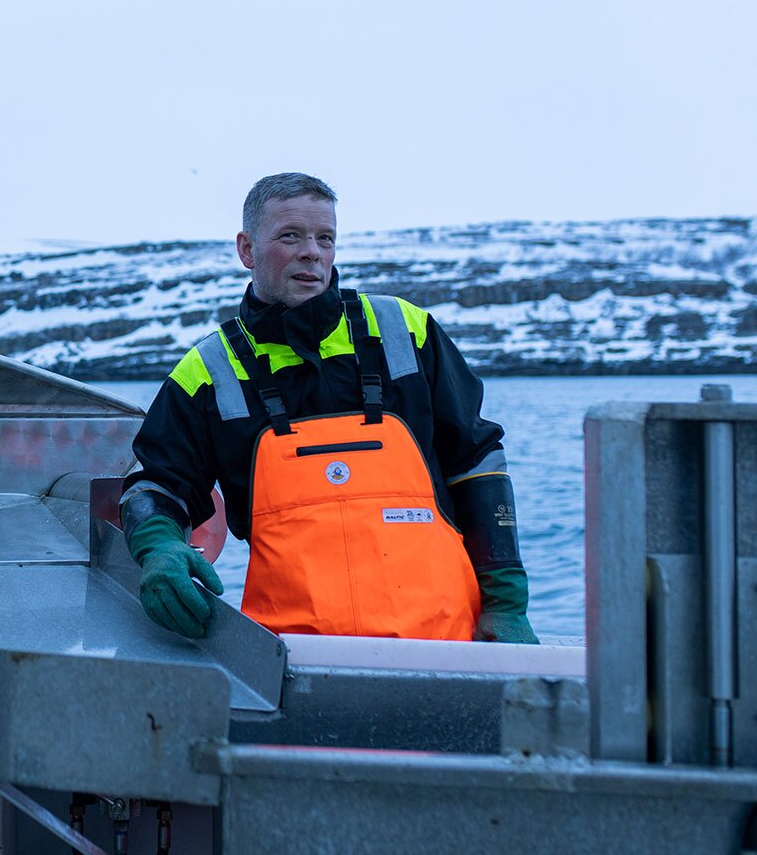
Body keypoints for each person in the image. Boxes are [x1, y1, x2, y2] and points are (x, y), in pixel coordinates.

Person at [120, 172, 537, 645]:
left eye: (325, 238)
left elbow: (478, 465)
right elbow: (158, 484)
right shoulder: (208, 371)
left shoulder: (407, 332)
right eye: (290, 236)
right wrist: (159, 549)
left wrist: (506, 603)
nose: (312, 252)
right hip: (289, 656)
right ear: (247, 250)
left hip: (446, 645)